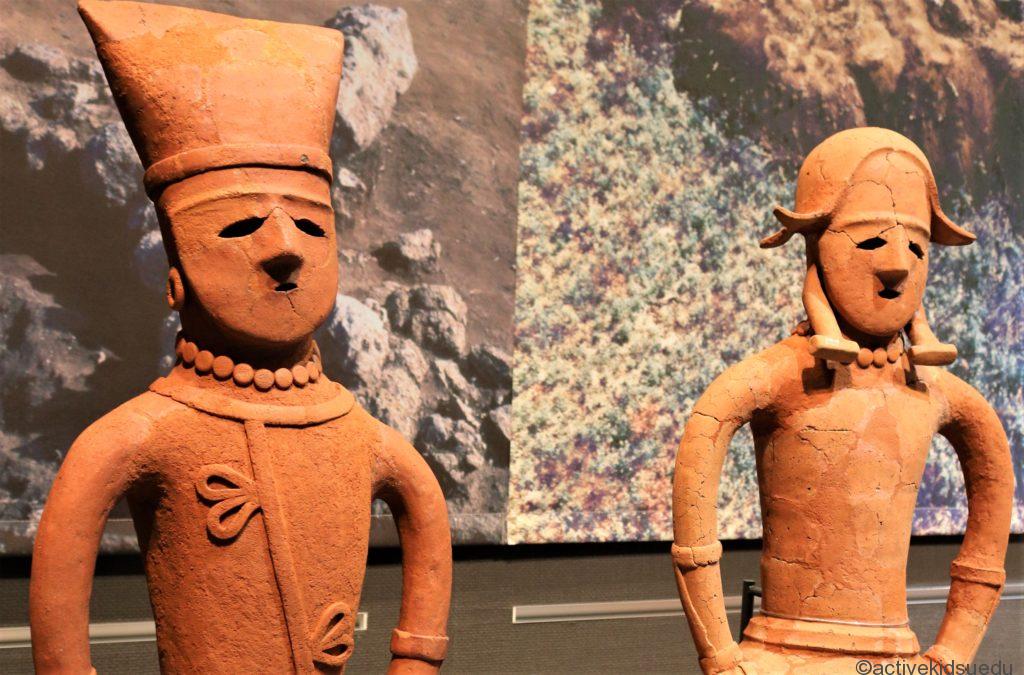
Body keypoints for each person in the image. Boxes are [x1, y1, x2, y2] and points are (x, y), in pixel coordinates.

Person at [30, 2, 451, 673]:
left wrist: (415, 657)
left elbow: (423, 504)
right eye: (238, 226)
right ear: (175, 277)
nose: (286, 247)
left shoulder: (354, 433)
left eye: (312, 227)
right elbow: (63, 566)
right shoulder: (149, 432)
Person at [672, 127, 1013, 673]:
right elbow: (697, 494)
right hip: (776, 656)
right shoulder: (774, 379)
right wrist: (722, 657)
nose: (899, 264)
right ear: (816, 244)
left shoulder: (938, 395)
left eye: (917, 246)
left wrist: (950, 656)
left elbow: (991, 514)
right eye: (871, 240)